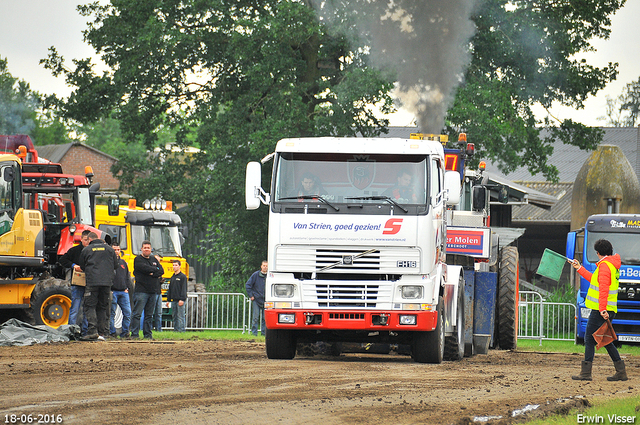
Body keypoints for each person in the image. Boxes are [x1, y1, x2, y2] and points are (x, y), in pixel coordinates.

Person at [570, 239, 627, 381]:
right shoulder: (610, 265)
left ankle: (585, 373)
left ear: (598, 252)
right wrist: (579, 268)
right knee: (605, 340)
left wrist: (601, 309)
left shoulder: (604, 266)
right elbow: (595, 280)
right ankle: (621, 372)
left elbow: (603, 289)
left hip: (601, 309)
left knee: (589, 339)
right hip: (608, 308)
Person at [78, 232, 119, 341]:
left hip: (92, 282)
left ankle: (92, 331)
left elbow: (82, 266)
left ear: (90, 239)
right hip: (107, 283)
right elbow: (116, 265)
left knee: (90, 306)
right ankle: (102, 333)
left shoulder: (86, 250)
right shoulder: (110, 250)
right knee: (103, 307)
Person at [130, 240, 164, 339]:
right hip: (141, 291)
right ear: (141, 249)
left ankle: (148, 334)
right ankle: (135, 334)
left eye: (148, 248)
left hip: (153, 292)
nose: (146, 249)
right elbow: (142, 268)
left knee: (149, 315)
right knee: (137, 314)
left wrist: (151, 272)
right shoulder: (138, 259)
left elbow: (161, 271)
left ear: (151, 249)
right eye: (145, 248)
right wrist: (154, 271)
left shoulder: (154, 259)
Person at [59, 229, 91, 332]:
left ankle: (85, 331)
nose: (87, 242)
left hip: (89, 283)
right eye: (85, 240)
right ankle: (71, 330)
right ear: (81, 239)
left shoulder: (92, 251)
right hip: (77, 283)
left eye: (89, 240)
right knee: (75, 307)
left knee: (87, 308)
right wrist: (74, 266)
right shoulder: (75, 250)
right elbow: (62, 260)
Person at [109, 243, 132, 339]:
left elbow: (127, 276)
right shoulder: (108, 263)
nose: (117, 251)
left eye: (118, 249)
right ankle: (112, 333)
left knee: (128, 313)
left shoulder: (123, 263)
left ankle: (125, 333)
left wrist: (127, 287)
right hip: (113, 291)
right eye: (114, 249)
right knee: (112, 313)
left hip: (123, 292)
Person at [245, 260, 267, 336]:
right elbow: (248, 285)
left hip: (266, 300)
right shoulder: (255, 275)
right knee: (255, 317)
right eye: (264, 265)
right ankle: (254, 333)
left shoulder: (270, 276)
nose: (265, 267)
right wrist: (251, 295)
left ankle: (264, 333)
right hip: (256, 300)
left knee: (265, 318)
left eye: (266, 266)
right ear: (261, 266)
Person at [167, 260, 188, 332]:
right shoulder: (172, 277)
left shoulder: (183, 277)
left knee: (180, 316)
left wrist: (182, 299)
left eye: (176, 265)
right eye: (173, 265)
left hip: (180, 300)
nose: (174, 267)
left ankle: (182, 330)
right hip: (174, 300)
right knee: (174, 316)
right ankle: (176, 330)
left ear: (179, 266)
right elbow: (170, 288)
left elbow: (184, 289)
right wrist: (168, 300)